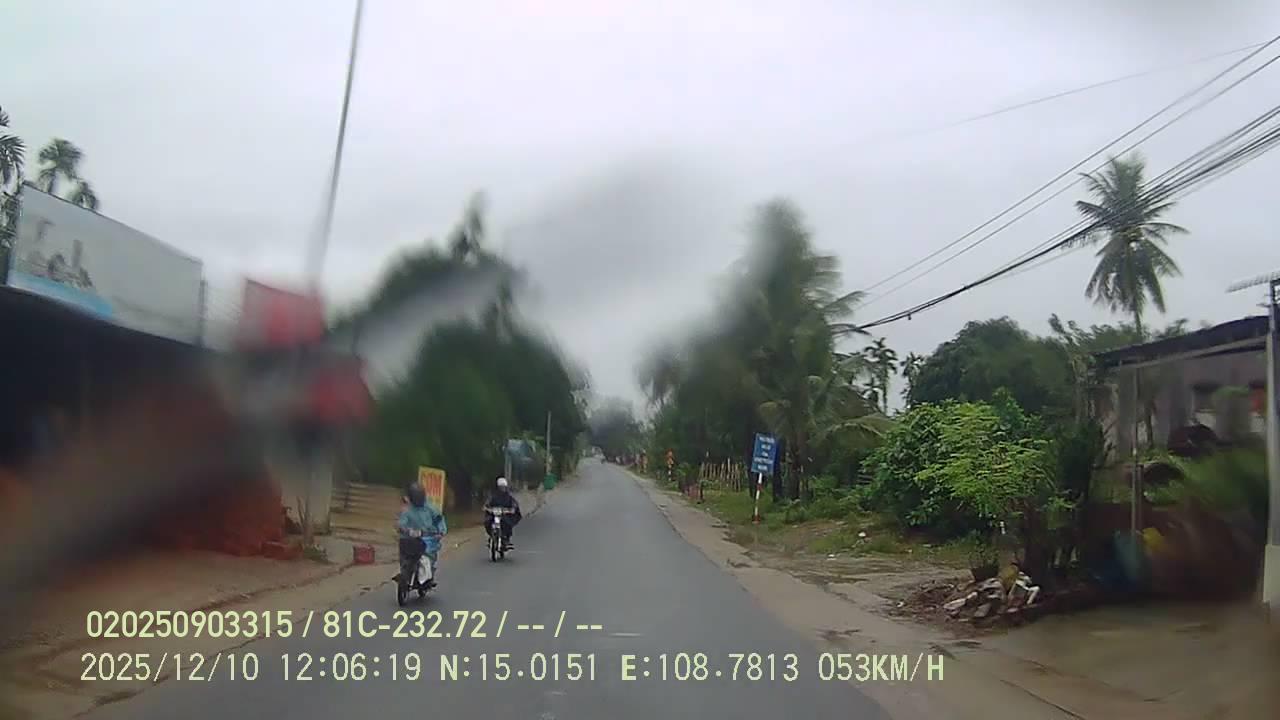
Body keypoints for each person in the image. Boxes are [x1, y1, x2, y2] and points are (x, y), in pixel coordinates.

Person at [397, 483, 447, 587]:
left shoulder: (430, 508)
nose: (418, 499)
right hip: (410, 539)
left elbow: (439, 519)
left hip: (427, 538)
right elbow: (401, 524)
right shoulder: (407, 509)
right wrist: (406, 530)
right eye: (416, 496)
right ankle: (405, 571)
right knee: (404, 553)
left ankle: (428, 575)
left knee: (429, 555)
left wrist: (441, 531)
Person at [482, 477, 522, 550]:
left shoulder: (508, 497)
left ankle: (506, 538)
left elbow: (514, 504)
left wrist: (512, 510)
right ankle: (491, 536)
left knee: (507, 523)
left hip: (504, 515)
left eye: (503, 487)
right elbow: (487, 504)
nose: (502, 488)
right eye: (501, 487)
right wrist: (487, 508)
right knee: (487, 522)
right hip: (494, 515)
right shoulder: (493, 496)